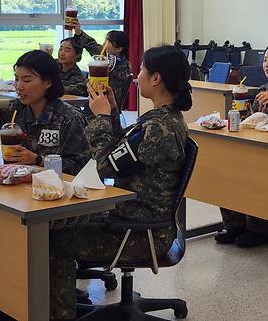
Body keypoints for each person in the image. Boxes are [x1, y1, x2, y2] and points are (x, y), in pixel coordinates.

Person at [49, 45, 192, 321]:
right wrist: (113, 111)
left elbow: (104, 165)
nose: (137, 76)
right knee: (57, 224)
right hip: (133, 217)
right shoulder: (161, 119)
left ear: (156, 78)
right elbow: (122, 153)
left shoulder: (159, 128)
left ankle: (59, 315)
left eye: (142, 70)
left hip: (139, 231)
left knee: (55, 240)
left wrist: (100, 118)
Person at [215, 42, 268, 248]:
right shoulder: (262, 89)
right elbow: (254, 120)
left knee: (254, 173)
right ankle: (234, 225)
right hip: (261, 147)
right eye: (264, 60)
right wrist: (242, 112)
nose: (267, 64)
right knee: (227, 168)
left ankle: (260, 229)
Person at [0, 50, 89, 175]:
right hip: (19, 188)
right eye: (17, 79)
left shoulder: (69, 118)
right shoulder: (15, 110)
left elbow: (81, 168)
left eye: (27, 80)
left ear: (48, 82)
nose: (19, 87)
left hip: (56, 193)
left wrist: (38, 160)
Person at [72, 20, 133, 110]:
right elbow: (94, 46)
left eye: (107, 43)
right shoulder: (125, 63)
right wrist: (79, 32)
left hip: (104, 107)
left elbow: (93, 47)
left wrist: (80, 33)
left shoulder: (114, 63)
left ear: (119, 48)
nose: (103, 45)